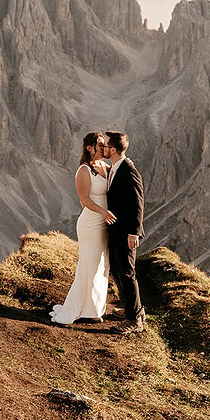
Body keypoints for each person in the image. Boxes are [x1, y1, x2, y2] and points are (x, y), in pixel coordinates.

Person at [49, 132, 117, 326]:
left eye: (104, 144)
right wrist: (102, 211)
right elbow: (84, 199)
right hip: (91, 223)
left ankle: (94, 308)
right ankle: (84, 309)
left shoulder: (106, 167)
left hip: (104, 222)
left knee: (102, 265)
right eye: (100, 145)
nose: (103, 148)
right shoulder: (84, 170)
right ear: (89, 147)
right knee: (90, 265)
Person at [103, 131, 145, 334]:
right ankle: (133, 309)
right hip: (116, 229)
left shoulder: (129, 170)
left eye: (105, 145)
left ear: (113, 149)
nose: (103, 148)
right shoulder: (115, 167)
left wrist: (134, 232)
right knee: (118, 270)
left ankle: (135, 320)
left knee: (127, 273)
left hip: (126, 232)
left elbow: (138, 203)